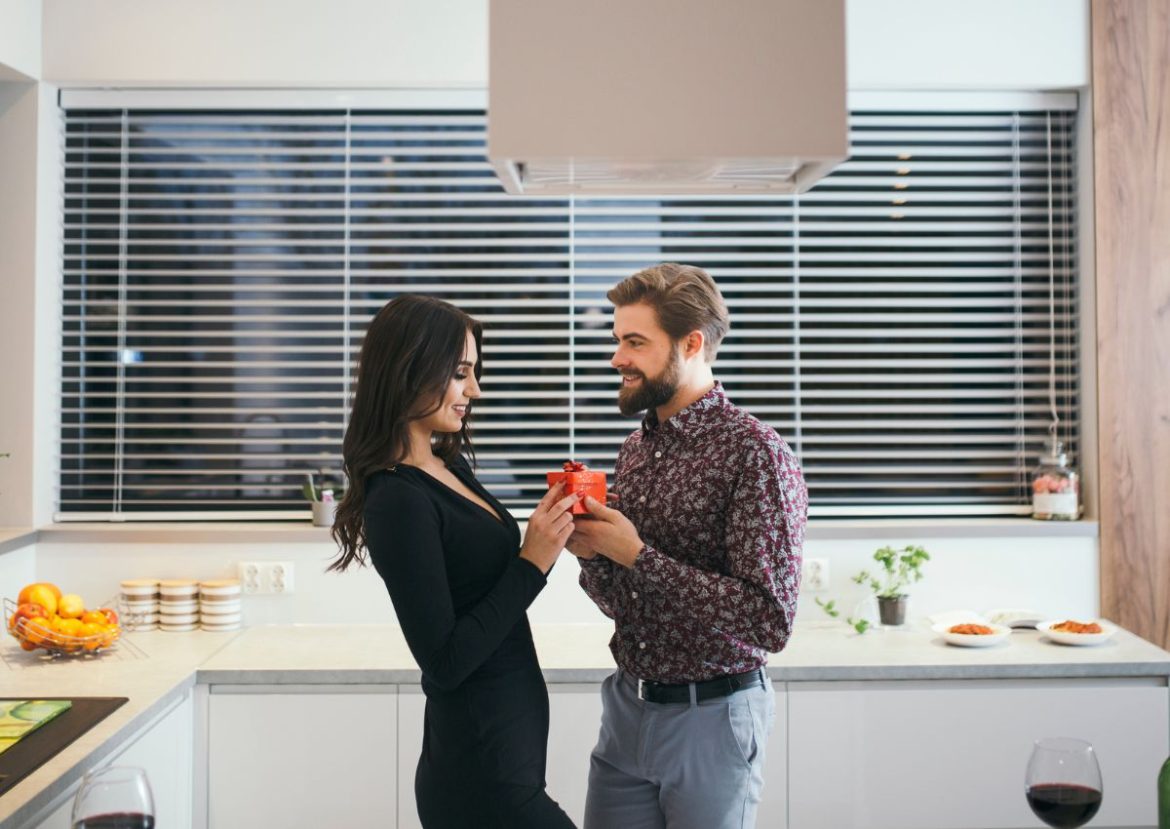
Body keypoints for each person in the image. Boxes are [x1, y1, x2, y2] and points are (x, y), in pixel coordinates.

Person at [568, 263, 808, 829]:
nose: (616, 358)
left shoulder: (756, 455)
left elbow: (768, 621)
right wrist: (591, 555)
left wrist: (636, 556)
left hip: (714, 717)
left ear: (691, 343)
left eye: (634, 342)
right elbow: (627, 601)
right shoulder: (635, 449)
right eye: (616, 341)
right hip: (628, 707)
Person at [329, 294, 578, 829]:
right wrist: (532, 563)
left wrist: (549, 537)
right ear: (412, 368)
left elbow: (485, 583)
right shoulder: (397, 498)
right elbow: (443, 661)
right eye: (461, 373)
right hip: (481, 776)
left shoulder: (447, 463)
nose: (475, 390)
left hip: (506, 765)